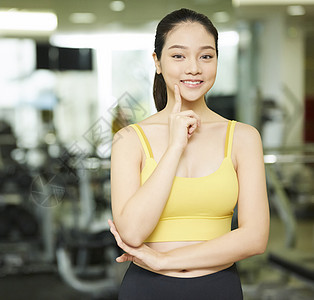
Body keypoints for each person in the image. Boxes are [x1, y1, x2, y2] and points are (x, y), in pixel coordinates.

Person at [109, 8, 269, 300]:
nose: (194, 68)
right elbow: (131, 233)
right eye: (178, 56)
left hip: (218, 288)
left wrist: (166, 260)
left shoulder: (244, 138)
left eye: (206, 56)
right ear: (157, 62)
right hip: (147, 289)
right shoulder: (129, 140)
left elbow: (255, 238)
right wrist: (175, 147)